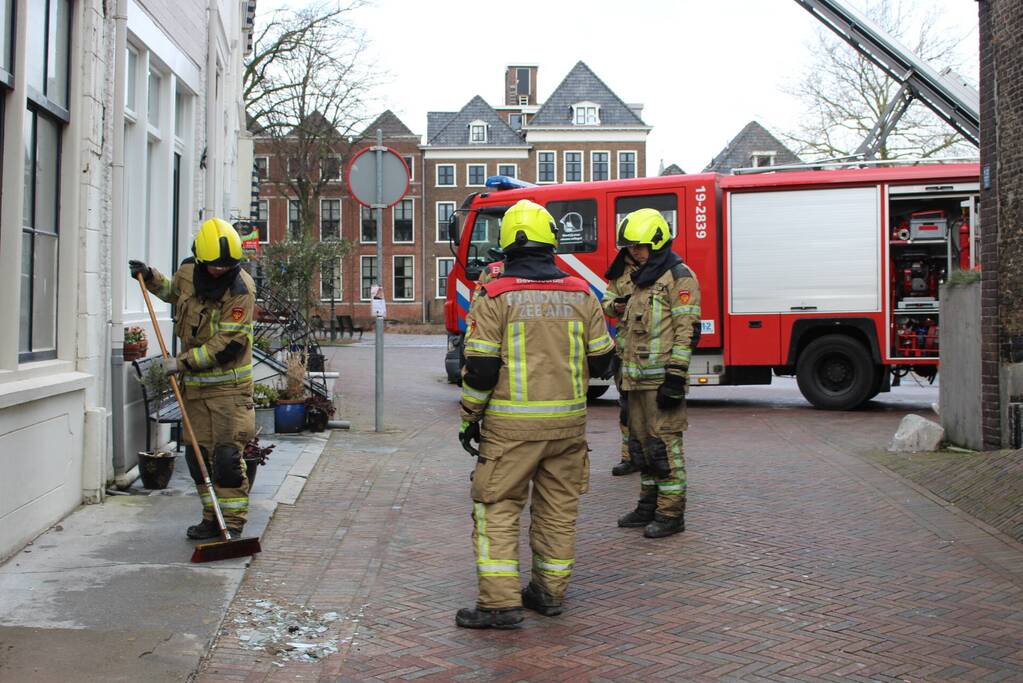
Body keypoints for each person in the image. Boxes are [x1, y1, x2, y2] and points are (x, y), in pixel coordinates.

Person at [456, 199, 614, 629]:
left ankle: (499, 604)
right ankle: (548, 593)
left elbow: (482, 367)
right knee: (558, 509)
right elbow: (603, 362)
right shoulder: (582, 292)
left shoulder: (496, 293)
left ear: (508, 243)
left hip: (510, 429)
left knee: (497, 507)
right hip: (568, 428)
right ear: (550, 241)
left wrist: (470, 415)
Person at [129, 218, 257, 539]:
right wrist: (152, 278)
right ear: (200, 259)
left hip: (229, 391)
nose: (219, 271)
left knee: (226, 458)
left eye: (226, 266)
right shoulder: (189, 271)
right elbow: (176, 292)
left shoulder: (241, 290)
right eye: (213, 265)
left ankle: (233, 525)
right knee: (197, 456)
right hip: (196, 392)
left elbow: (227, 344)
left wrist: (180, 363)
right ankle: (211, 518)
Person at [614, 208, 701, 539]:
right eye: (630, 248)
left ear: (657, 242)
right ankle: (648, 506)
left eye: (638, 247)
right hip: (635, 379)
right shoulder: (642, 277)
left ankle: (671, 514)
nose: (633, 253)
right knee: (641, 447)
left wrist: (676, 376)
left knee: (665, 448)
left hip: (661, 380)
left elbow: (686, 329)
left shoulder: (679, 278)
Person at [602, 247, 640, 476]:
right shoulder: (620, 273)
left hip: (652, 352)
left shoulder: (661, 270)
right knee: (627, 408)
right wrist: (615, 306)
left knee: (654, 410)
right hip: (626, 352)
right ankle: (630, 457)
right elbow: (607, 301)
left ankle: (654, 455)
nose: (636, 251)